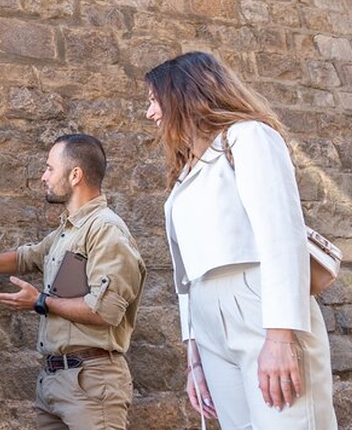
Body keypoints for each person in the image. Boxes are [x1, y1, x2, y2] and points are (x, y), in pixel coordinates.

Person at [143, 51, 337, 429]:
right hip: (207, 316)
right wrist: (194, 357)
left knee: (290, 422)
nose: (150, 113)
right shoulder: (185, 173)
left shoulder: (249, 137)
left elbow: (282, 238)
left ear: (184, 96)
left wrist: (281, 339)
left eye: (154, 101)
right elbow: (186, 275)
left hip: (259, 305)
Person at [0, 134, 145, 430]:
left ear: (75, 175)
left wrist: (40, 302)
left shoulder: (105, 230)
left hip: (92, 384)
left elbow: (105, 311)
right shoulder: (68, 231)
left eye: (50, 168)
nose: (43, 176)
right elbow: (26, 257)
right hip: (53, 383)